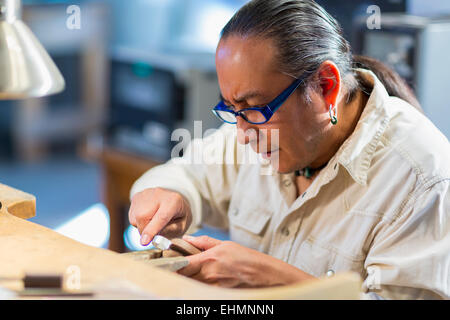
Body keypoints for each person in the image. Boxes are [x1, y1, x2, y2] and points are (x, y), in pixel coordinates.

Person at [128, 0, 450, 299]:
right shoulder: (254, 126)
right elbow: (187, 173)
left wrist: (272, 277)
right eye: (231, 108)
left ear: (326, 87)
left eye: (255, 108)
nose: (241, 136)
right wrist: (173, 195)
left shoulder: (422, 179)